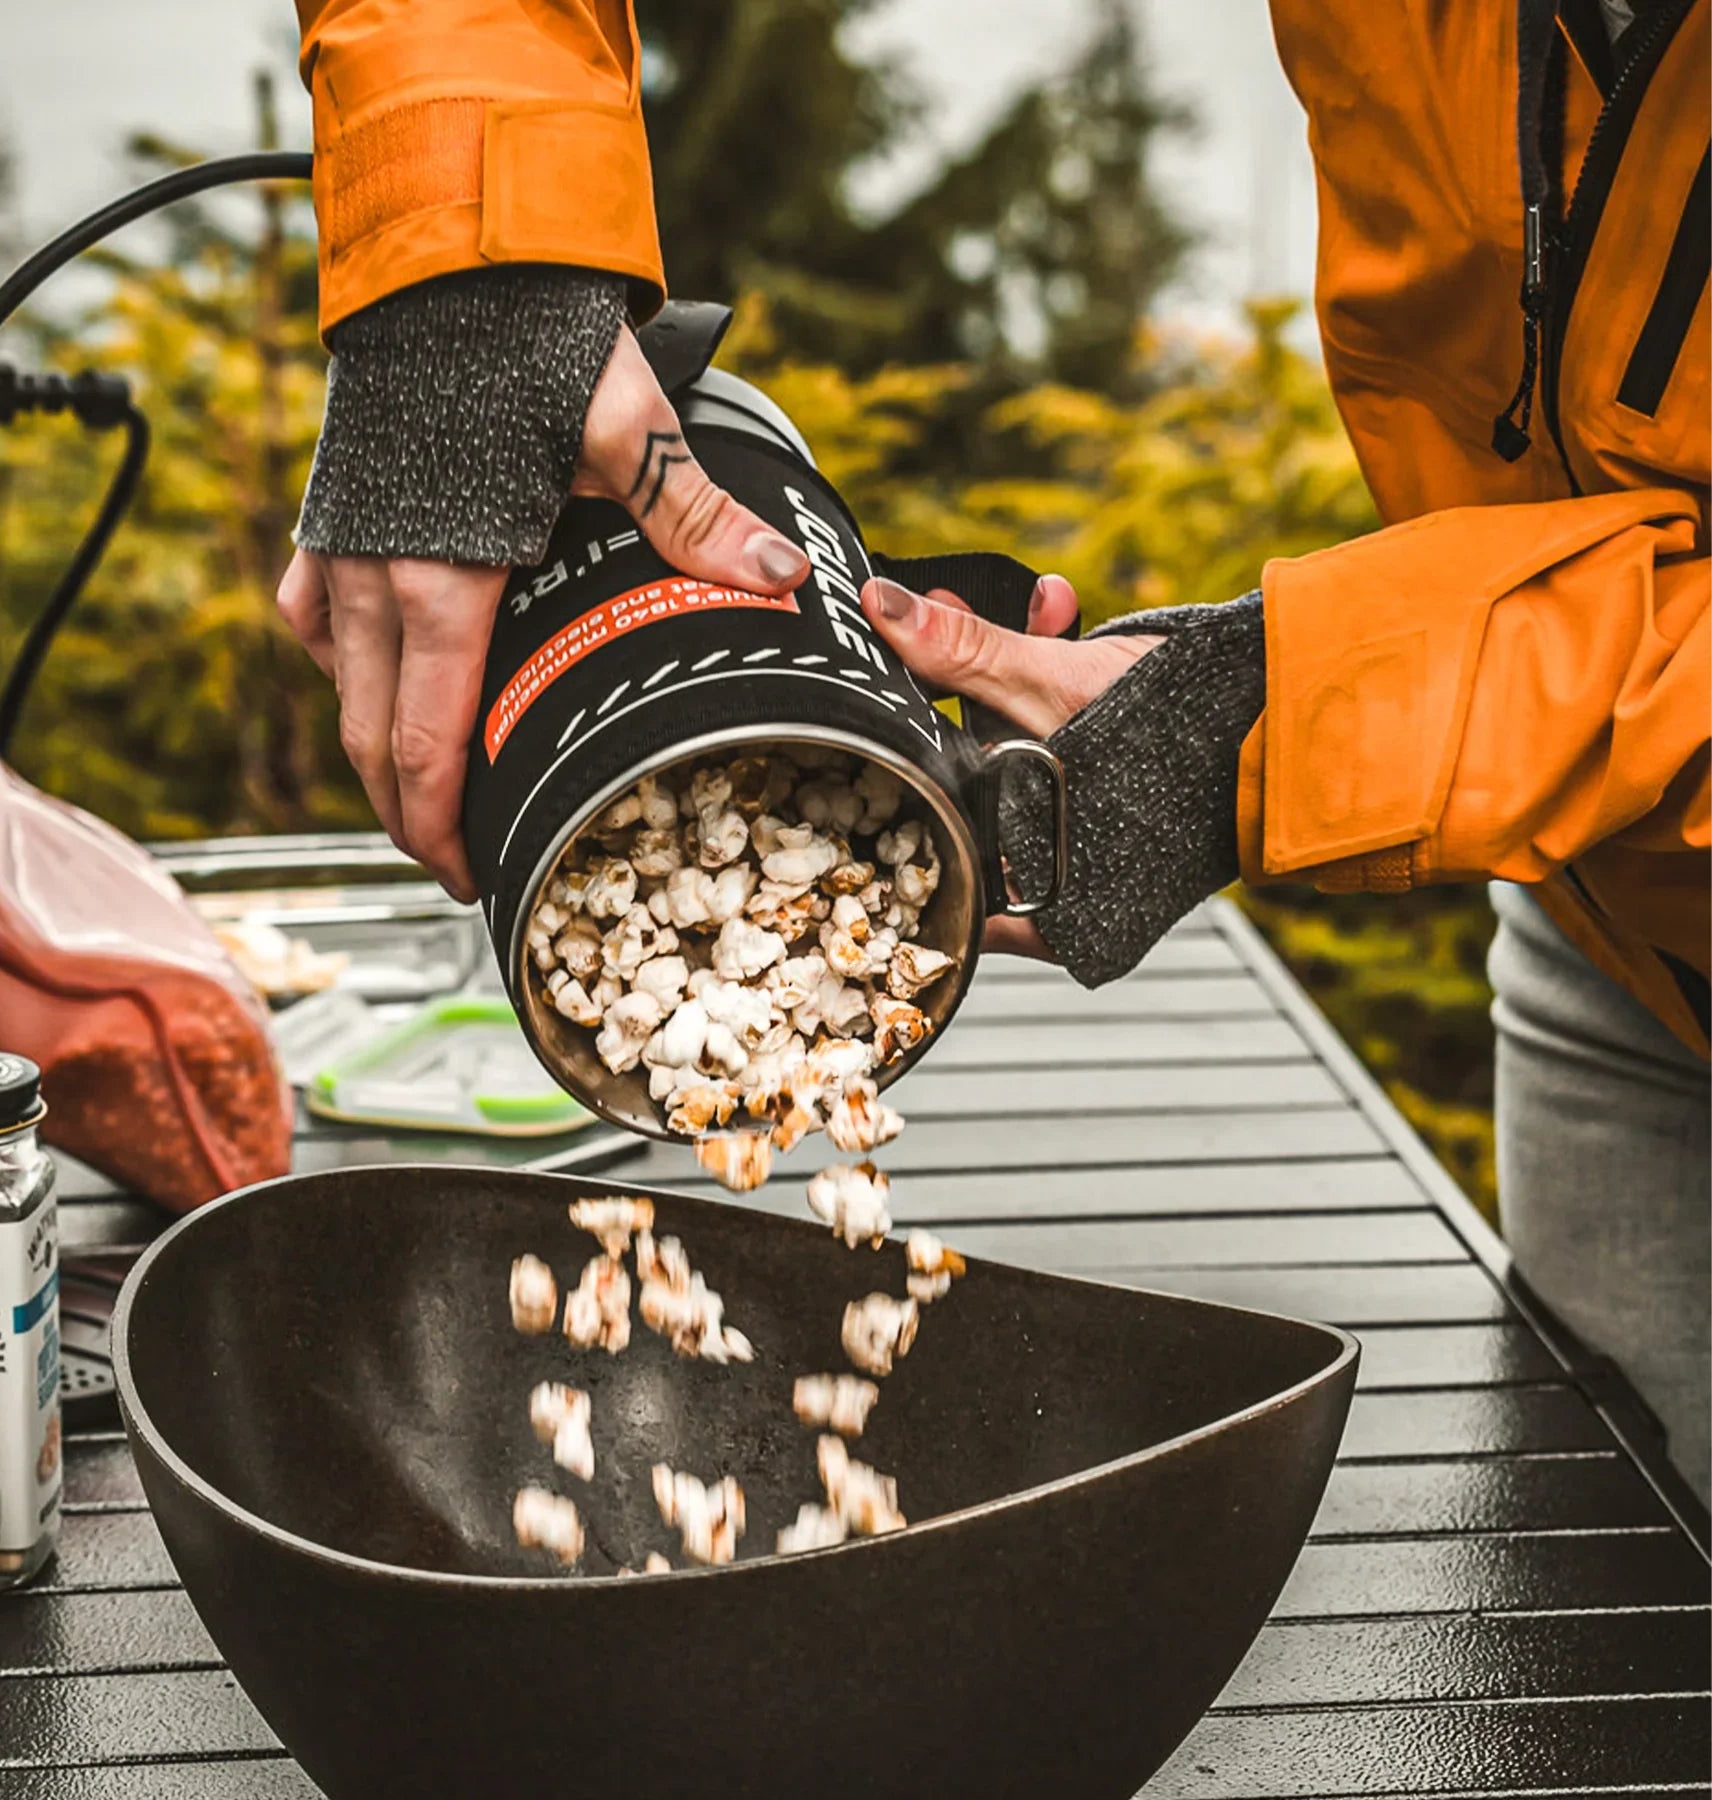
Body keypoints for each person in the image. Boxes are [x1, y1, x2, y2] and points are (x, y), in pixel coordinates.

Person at [278, 1, 1709, 1505]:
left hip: (1608, 835)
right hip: (1610, 928)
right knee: (1614, 1538)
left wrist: (1314, 714)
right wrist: (468, 261)